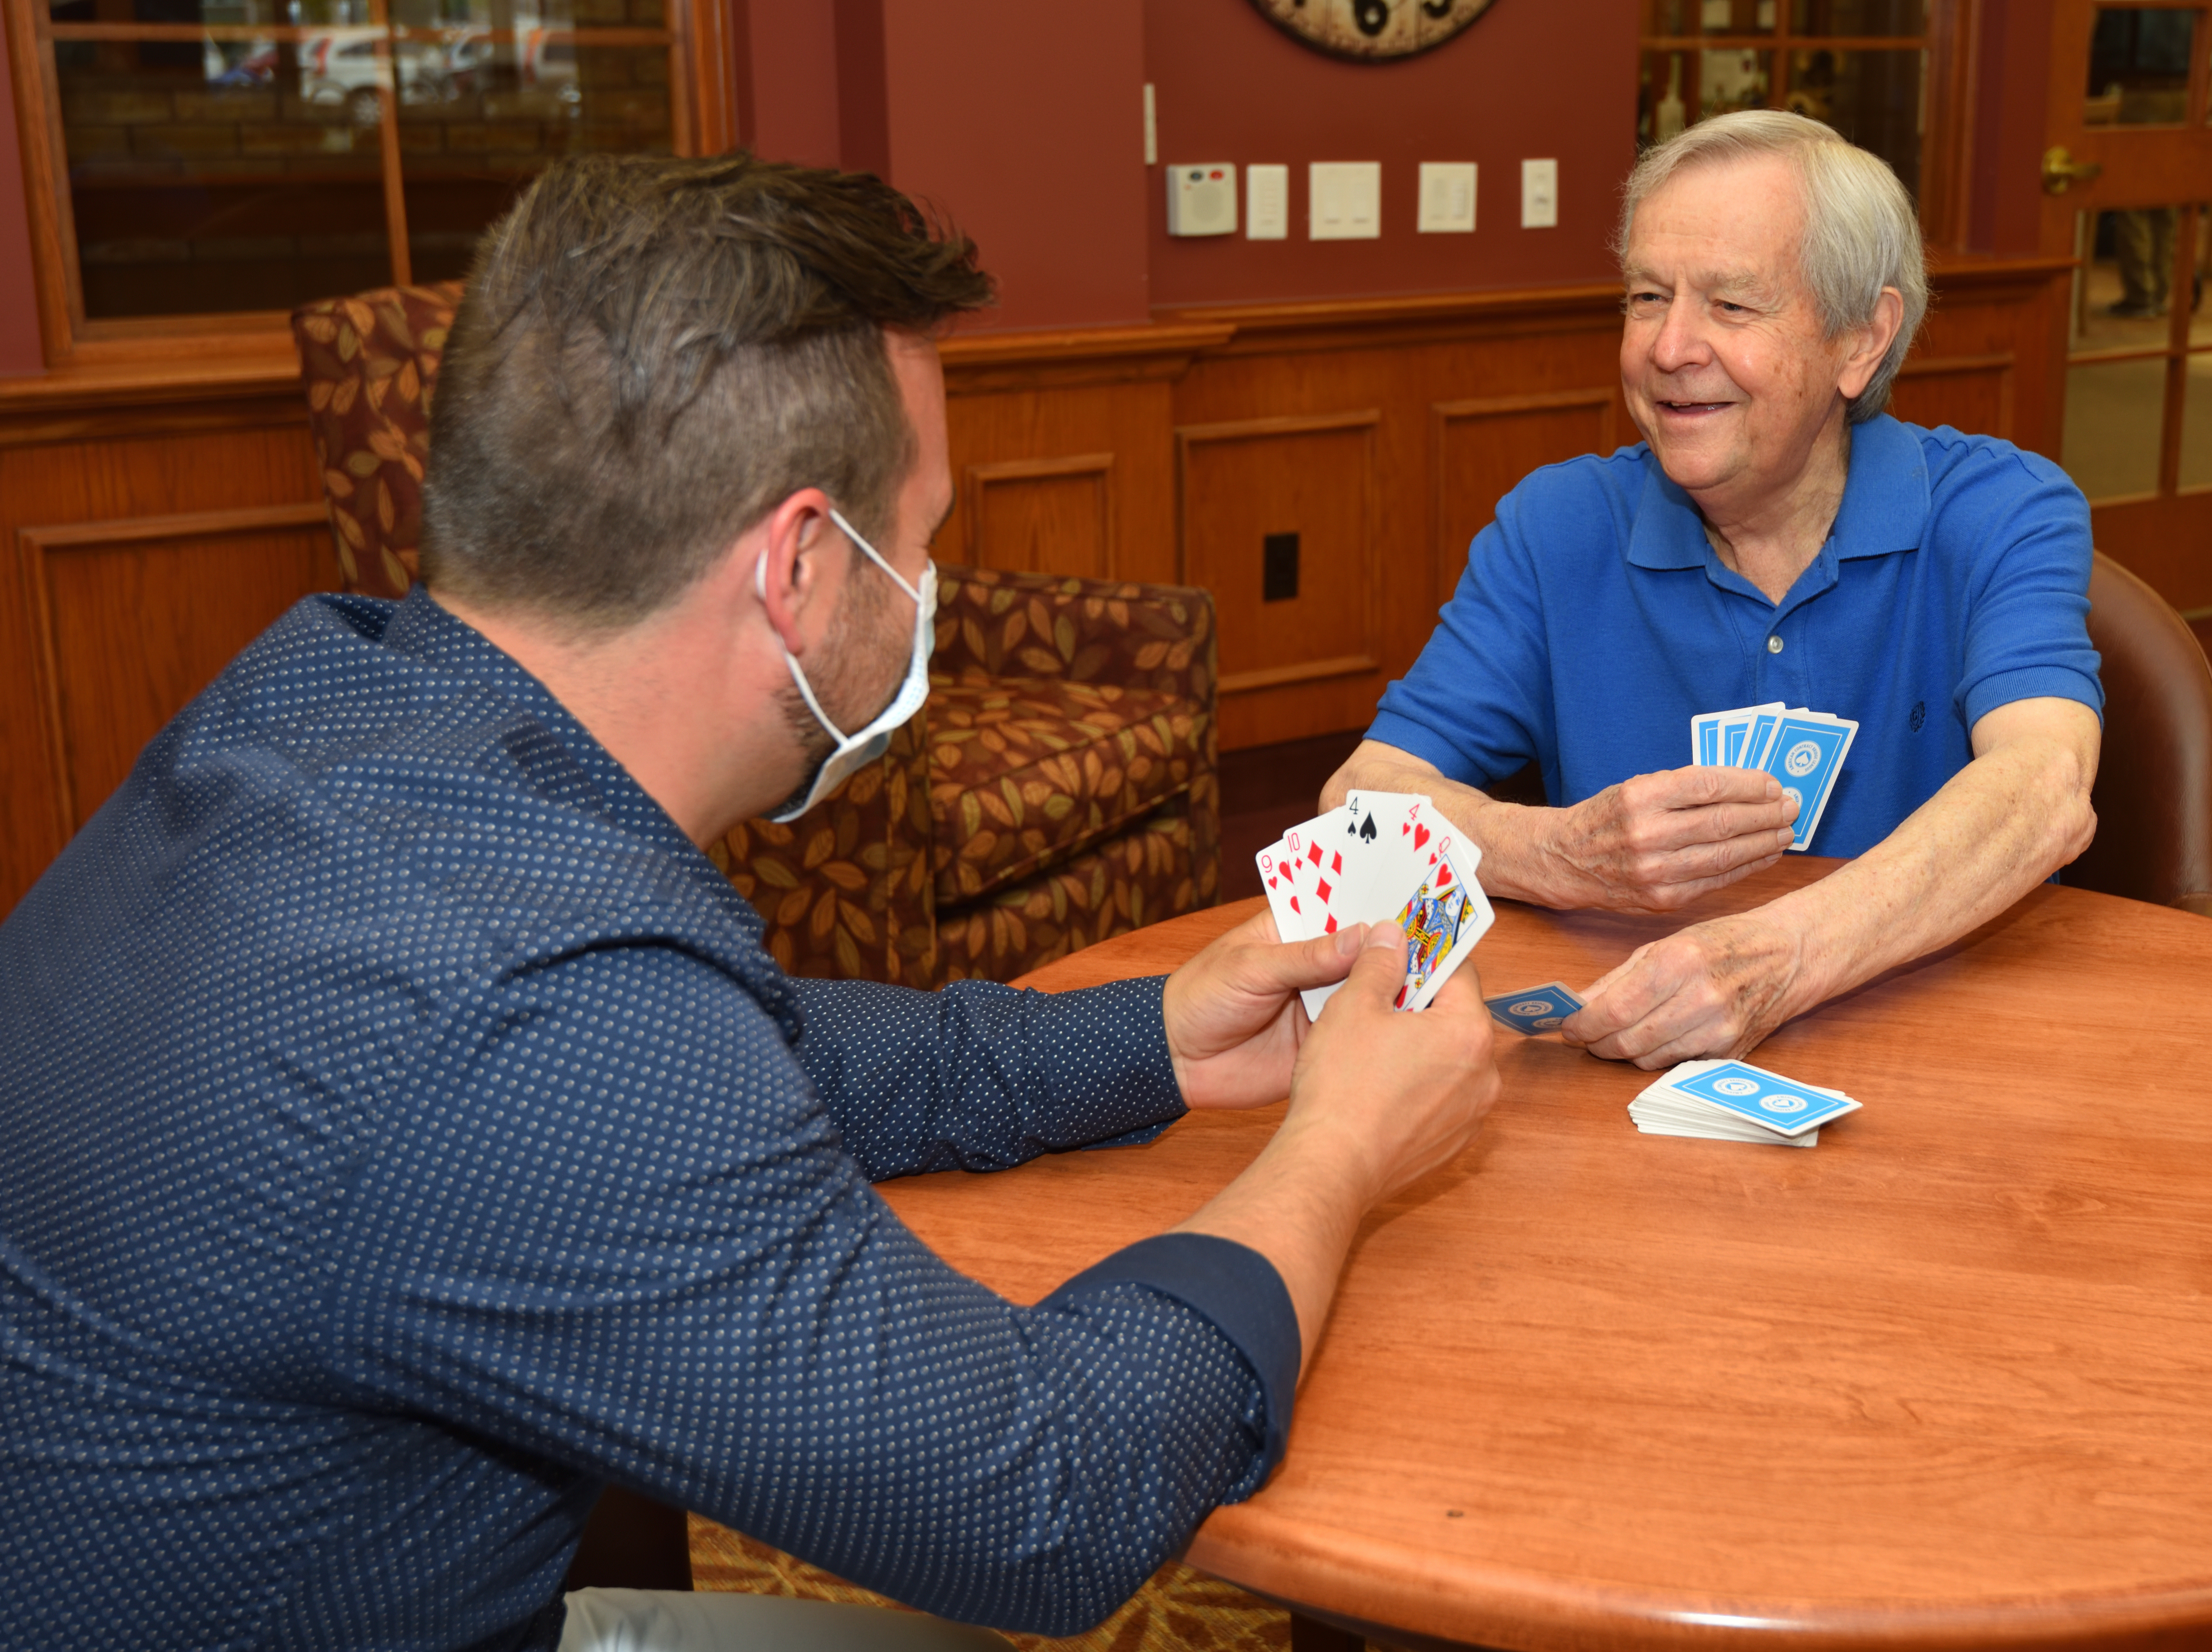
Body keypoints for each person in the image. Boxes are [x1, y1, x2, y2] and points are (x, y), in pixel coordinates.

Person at [0, 154, 1499, 1652]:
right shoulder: (530, 1004)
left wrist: (1156, 1040)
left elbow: (743, 1055)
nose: (930, 589)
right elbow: (1049, 1500)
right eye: (918, 543)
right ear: (799, 567)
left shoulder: (325, 701)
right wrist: (1342, 1149)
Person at [1326, 111, 2102, 1070]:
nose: (1668, 347)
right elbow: (1353, 805)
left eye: (1732, 306)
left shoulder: (2000, 509)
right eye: (1647, 296)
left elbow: (2045, 789)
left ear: (1860, 341)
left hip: (1947, 1046)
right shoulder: (1556, 525)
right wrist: (1558, 851)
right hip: (1639, 1059)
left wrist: (1777, 956)